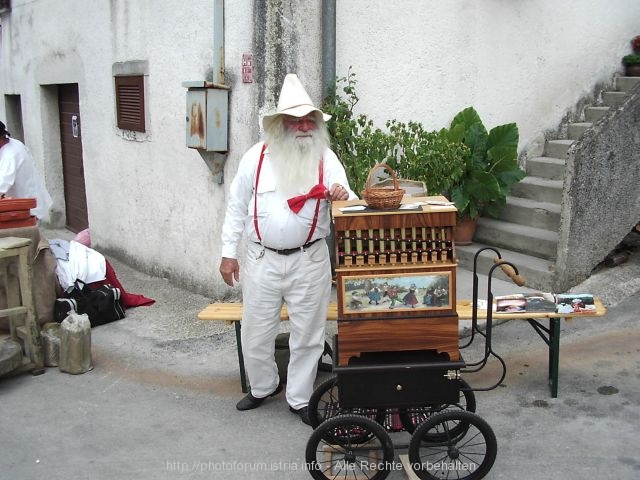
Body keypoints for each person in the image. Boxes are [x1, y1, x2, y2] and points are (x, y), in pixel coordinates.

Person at [218, 74, 357, 425]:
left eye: (309, 119)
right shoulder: (256, 158)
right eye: (295, 120)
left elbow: (350, 202)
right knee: (255, 331)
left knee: (308, 337)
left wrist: (343, 195)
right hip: (261, 260)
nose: (303, 126)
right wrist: (227, 252)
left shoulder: (327, 159)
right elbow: (236, 205)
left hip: (309, 261)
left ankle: (299, 398)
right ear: (280, 125)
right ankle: (263, 387)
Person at [0, 121, 53, 221]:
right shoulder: (14, 143)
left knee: (25, 234)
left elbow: (2, 185)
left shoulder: (11, 155)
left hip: (27, 207)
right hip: (25, 203)